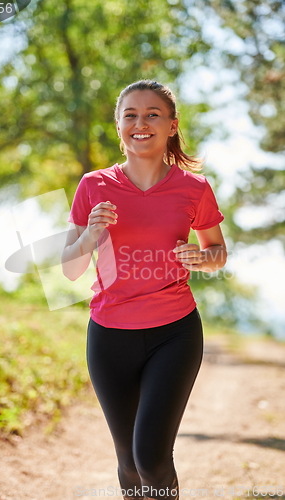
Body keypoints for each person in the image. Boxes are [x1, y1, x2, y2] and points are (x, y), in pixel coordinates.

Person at [62, 80, 227, 500]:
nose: (141, 123)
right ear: (118, 125)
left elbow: (217, 251)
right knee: (128, 461)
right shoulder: (93, 186)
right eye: (130, 115)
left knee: (151, 456)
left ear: (171, 125)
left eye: (152, 114)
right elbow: (69, 271)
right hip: (109, 335)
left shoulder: (195, 189)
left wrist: (201, 257)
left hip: (174, 332)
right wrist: (88, 237)